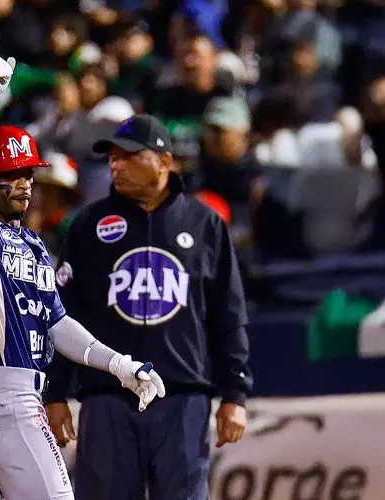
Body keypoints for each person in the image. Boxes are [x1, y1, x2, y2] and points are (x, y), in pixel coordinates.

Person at [0, 35, 166, 500]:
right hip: (6, 401)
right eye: (10, 177)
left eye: (28, 174)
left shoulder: (35, 245)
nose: (24, 184)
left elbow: (57, 322)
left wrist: (119, 365)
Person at [44, 114, 253, 500]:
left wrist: (234, 395)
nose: (115, 165)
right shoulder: (89, 224)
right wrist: (54, 393)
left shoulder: (205, 223)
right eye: (111, 157)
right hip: (106, 397)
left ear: (164, 161)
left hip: (182, 397)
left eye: (128, 156)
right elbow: (63, 315)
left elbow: (229, 316)